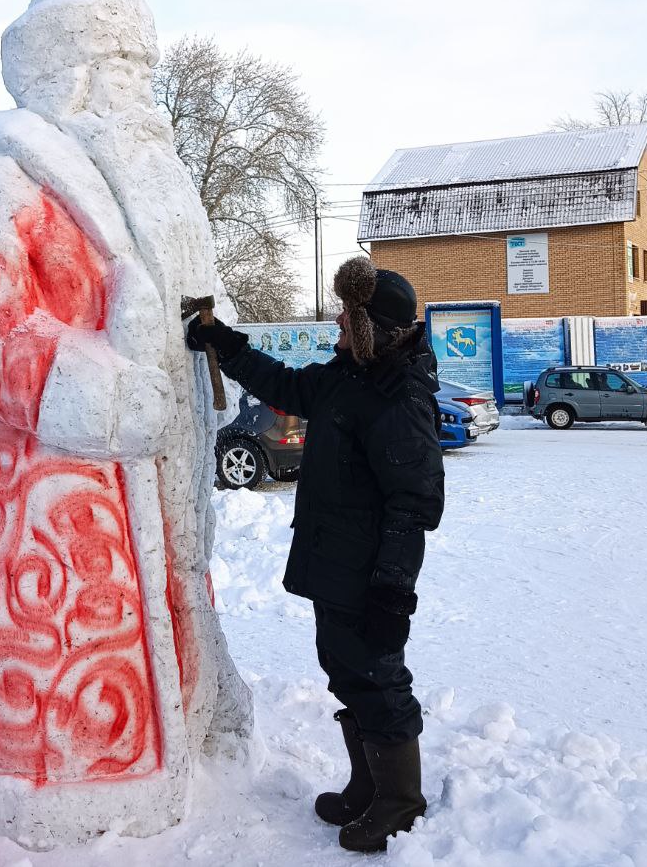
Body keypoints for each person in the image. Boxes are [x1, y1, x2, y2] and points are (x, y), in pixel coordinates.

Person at [0, 0, 253, 848]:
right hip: (43, 504)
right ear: (70, 77)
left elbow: (188, 304)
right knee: (56, 653)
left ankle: (191, 722)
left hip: (160, 480)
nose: (141, 90)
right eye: (122, 68)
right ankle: (52, 776)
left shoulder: (148, 188)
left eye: (145, 67)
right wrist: (115, 394)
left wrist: (216, 342)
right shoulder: (0, 183)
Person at [187, 255, 445, 853]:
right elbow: (285, 385)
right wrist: (223, 343)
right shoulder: (348, 376)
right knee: (347, 671)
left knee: (378, 677)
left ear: (373, 328)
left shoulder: (398, 397)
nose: (335, 331)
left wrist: (392, 588)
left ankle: (400, 802)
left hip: (369, 573)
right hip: (335, 563)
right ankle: (367, 785)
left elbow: (415, 504)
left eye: (345, 322)